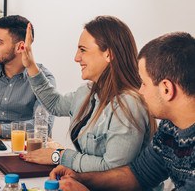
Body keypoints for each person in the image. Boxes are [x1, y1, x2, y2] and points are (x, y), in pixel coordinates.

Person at [49, 32, 195, 191]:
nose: (140, 91)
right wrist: (80, 178)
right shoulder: (170, 127)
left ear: (166, 89)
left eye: (144, 83)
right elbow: (140, 174)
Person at [20, 16, 157, 173]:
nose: (76, 58)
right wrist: (30, 65)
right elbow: (55, 104)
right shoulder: (88, 91)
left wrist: (59, 156)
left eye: (83, 50)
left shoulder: (129, 104)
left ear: (109, 54)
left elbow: (113, 169)